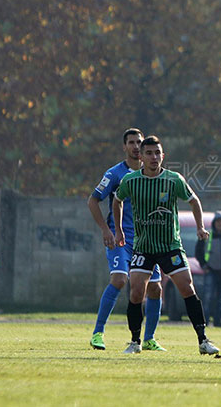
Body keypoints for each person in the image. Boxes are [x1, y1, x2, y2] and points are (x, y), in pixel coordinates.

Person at [112, 136, 219, 356]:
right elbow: (117, 200)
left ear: (163, 155)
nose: (154, 157)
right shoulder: (131, 181)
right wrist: (119, 230)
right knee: (136, 292)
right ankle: (135, 341)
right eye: (149, 153)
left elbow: (193, 200)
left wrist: (200, 227)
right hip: (144, 247)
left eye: (157, 153)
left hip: (170, 246)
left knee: (187, 289)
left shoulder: (173, 179)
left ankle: (203, 340)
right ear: (141, 156)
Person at [87, 128, 164, 351]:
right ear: (124, 146)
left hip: (147, 241)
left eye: (138, 142)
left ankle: (149, 339)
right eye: (131, 142)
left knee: (155, 289)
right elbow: (93, 201)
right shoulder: (114, 174)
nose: (135, 146)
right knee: (120, 279)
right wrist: (106, 230)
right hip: (120, 239)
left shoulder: (153, 173)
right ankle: (98, 333)